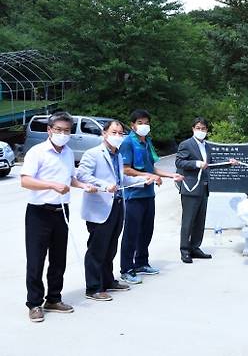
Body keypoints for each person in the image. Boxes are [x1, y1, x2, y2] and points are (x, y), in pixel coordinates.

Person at [20, 112, 98, 323]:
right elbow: (25, 181)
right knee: (36, 260)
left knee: (58, 258)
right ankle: (34, 303)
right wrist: (51, 185)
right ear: (49, 130)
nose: (63, 134)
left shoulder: (68, 152)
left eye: (66, 131)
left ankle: (53, 298)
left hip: (61, 211)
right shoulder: (37, 152)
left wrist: (83, 186)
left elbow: (70, 179)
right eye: (58, 130)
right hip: (39, 212)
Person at [76, 120, 151, 301]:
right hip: (99, 206)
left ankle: (108, 280)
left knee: (111, 246)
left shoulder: (117, 155)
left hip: (117, 205)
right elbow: (82, 175)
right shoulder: (93, 154)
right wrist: (104, 185)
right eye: (114, 132)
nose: (118, 136)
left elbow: (121, 180)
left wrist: (142, 180)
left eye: (120, 133)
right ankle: (93, 287)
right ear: (104, 133)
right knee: (97, 248)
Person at [119, 109, 183, 284]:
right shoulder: (128, 143)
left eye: (146, 122)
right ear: (132, 125)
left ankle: (141, 263)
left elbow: (152, 168)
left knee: (146, 231)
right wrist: (147, 177)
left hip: (148, 194)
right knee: (131, 233)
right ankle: (126, 269)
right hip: (134, 194)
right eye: (140, 123)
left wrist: (171, 175)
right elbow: (126, 169)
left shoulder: (147, 142)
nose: (144, 126)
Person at [175, 117, 236, 264]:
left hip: (203, 188)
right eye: (198, 128)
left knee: (200, 221)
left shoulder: (207, 146)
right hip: (190, 188)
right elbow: (179, 162)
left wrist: (229, 164)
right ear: (193, 129)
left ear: (207, 131)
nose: (200, 131)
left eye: (203, 129)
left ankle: (195, 247)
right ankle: (185, 250)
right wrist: (196, 163)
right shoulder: (186, 144)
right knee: (188, 221)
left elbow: (211, 165)